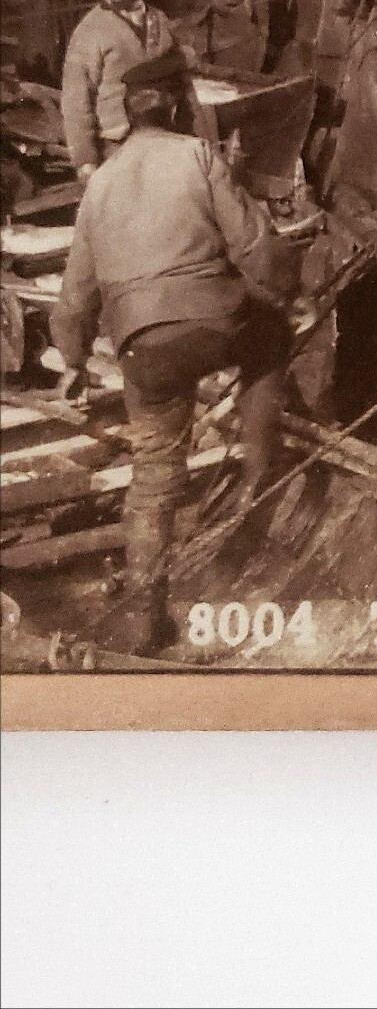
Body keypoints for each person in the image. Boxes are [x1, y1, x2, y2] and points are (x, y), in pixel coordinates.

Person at [52, 46, 298, 656]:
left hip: (143, 348)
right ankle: (258, 476)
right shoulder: (195, 155)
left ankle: (145, 610)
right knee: (270, 340)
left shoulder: (100, 185)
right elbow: (255, 246)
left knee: (155, 470)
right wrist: (289, 289)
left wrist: (75, 365)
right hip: (214, 322)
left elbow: (74, 298)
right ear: (174, 105)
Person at [60, 0, 180, 177]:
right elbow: (76, 102)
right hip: (117, 145)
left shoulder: (159, 20)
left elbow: (182, 83)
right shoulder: (90, 31)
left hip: (166, 136)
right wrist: (86, 161)